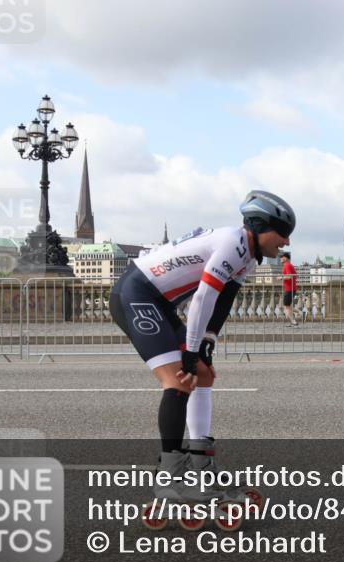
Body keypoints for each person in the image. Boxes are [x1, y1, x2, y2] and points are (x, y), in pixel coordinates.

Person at [109, 190, 295, 506]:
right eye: (283, 234)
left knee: (204, 375)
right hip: (136, 294)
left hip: (159, 301)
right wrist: (190, 352)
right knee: (179, 379)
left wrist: (206, 346)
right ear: (262, 227)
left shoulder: (247, 254)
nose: (287, 243)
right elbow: (203, 299)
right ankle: (169, 479)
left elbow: (223, 301)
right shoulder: (232, 244)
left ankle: (200, 464)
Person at [280, 251, 298, 326]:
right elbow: (294, 275)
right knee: (287, 306)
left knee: (286, 306)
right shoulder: (289, 265)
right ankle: (291, 321)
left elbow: (290, 276)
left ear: (286, 258)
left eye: (282, 257)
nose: (280, 258)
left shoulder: (287, 265)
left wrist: (281, 277)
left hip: (289, 289)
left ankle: (293, 321)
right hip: (290, 288)